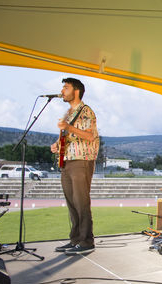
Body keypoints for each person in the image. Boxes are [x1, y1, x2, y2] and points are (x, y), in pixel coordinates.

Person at [51, 78, 99, 255]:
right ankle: (75, 239)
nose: (62, 90)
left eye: (66, 87)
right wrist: (57, 145)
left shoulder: (86, 111)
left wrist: (68, 127)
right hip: (67, 161)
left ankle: (86, 241)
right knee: (72, 203)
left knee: (81, 202)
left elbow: (90, 136)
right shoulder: (68, 113)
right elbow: (66, 137)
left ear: (76, 91)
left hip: (81, 161)